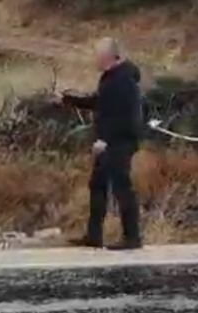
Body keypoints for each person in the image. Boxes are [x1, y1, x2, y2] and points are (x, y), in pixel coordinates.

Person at [61, 37, 144, 251]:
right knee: (97, 186)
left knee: (122, 188)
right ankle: (94, 235)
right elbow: (101, 103)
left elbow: (122, 115)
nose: (95, 59)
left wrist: (105, 140)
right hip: (110, 141)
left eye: (97, 55)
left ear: (107, 56)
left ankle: (132, 237)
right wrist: (69, 100)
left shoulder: (122, 80)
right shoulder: (111, 78)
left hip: (119, 141)